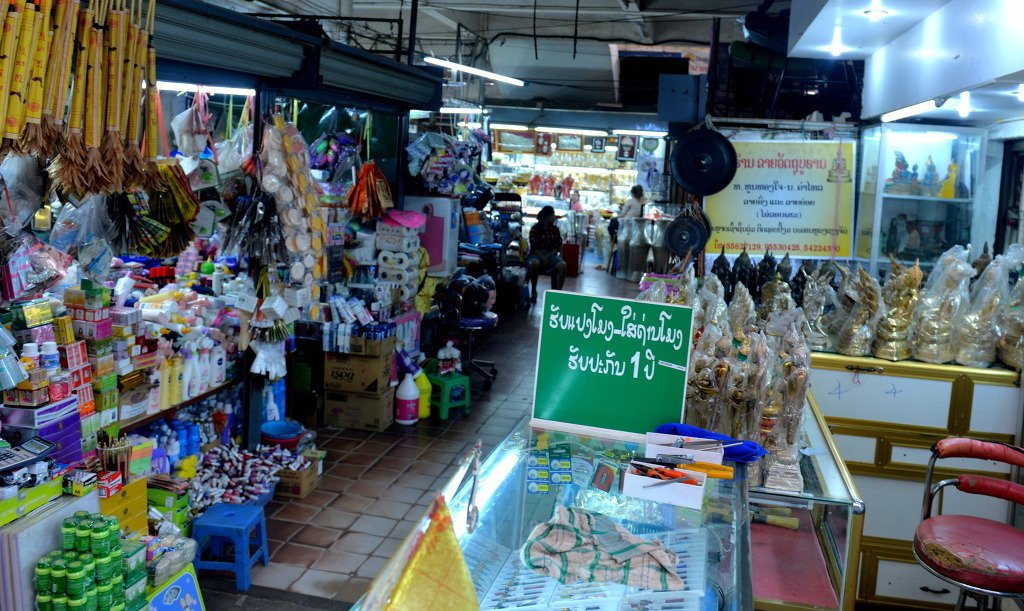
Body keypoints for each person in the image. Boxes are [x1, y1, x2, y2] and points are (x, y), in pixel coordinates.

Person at [526, 205, 566, 303]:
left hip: (551, 254)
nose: (554, 217)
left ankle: (558, 293)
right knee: (534, 264)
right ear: (547, 217)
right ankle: (533, 290)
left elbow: (557, 246)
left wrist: (547, 256)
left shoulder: (555, 230)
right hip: (536, 254)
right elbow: (533, 247)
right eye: (552, 215)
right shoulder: (535, 229)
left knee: (563, 265)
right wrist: (542, 256)